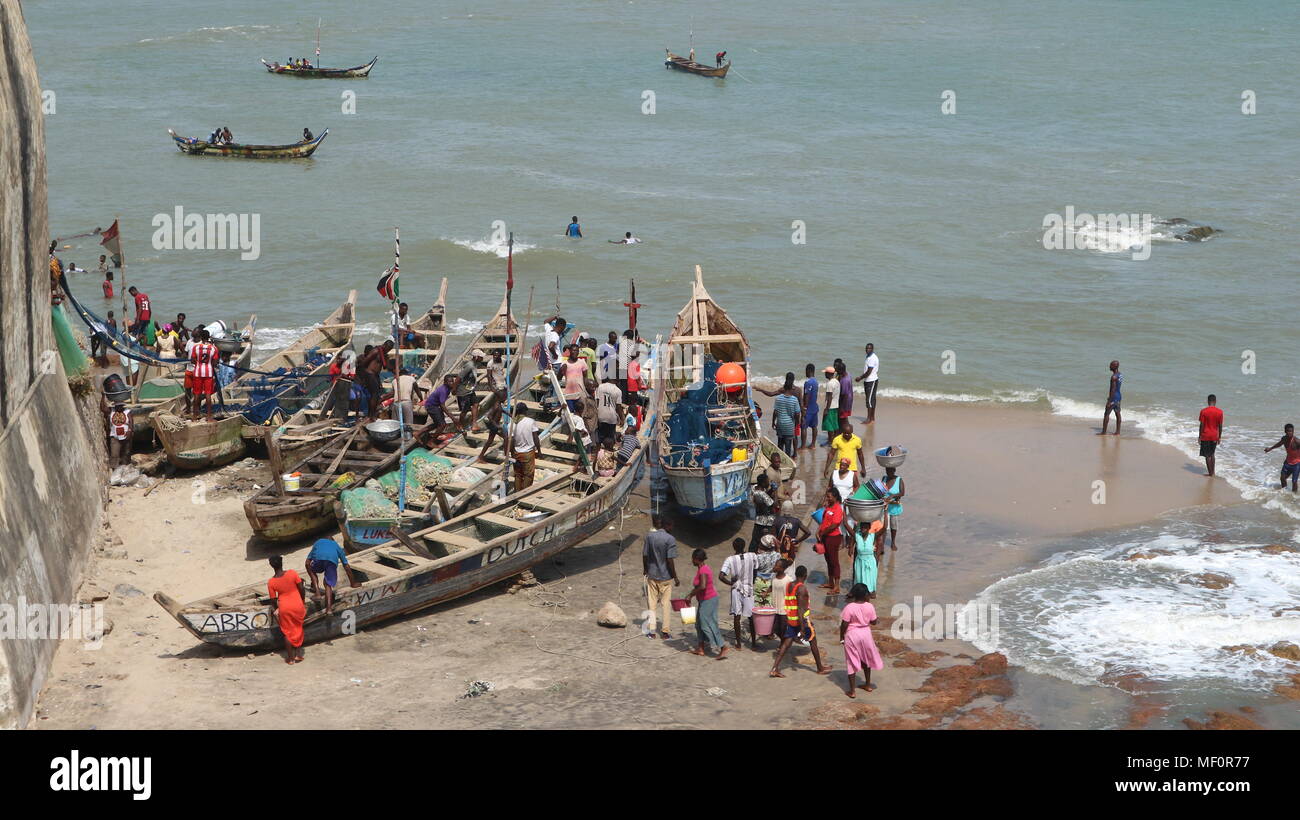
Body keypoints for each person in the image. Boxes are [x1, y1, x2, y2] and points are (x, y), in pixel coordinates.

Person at [769, 565, 831, 678]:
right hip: (801, 621)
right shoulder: (801, 588)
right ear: (805, 576)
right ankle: (820, 668)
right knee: (813, 642)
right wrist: (802, 628)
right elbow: (800, 608)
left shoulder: (789, 585)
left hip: (791, 620)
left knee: (786, 643)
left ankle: (774, 668)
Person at [684, 548, 729, 660]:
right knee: (698, 624)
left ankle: (722, 646)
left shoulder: (703, 570)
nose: (692, 561)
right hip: (705, 600)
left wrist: (690, 595)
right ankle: (701, 648)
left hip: (709, 600)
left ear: (696, 559)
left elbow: (703, 586)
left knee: (707, 624)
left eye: (693, 559)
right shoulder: (702, 568)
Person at [839, 583, 883, 697]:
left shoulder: (849, 607)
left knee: (851, 661)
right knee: (866, 659)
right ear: (865, 595)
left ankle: (852, 691)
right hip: (866, 634)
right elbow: (873, 622)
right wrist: (876, 619)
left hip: (852, 635)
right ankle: (867, 684)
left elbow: (844, 624)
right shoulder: (869, 606)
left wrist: (841, 637)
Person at [643, 515, 679, 638]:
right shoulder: (670, 539)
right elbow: (670, 560)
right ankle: (665, 632)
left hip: (652, 575)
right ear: (667, 525)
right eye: (672, 525)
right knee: (666, 605)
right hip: (666, 577)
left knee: (652, 604)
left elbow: (645, 555)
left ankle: (651, 631)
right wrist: (675, 577)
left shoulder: (649, 536)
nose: (673, 528)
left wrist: (645, 569)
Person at [266, 555, 306, 664]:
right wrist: (302, 601)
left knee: (287, 633)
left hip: (284, 607)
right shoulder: (292, 573)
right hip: (297, 604)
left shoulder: (271, 582)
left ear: (271, 565)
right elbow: (301, 588)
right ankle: (298, 655)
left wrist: (277, 608)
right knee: (298, 627)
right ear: (282, 562)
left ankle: (291, 659)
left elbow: (273, 600)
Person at [720, 538, 759, 650]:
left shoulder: (730, 559)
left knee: (737, 617)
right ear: (744, 546)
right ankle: (754, 644)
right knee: (751, 617)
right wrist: (752, 580)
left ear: (733, 547)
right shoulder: (752, 556)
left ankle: (738, 644)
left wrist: (730, 583)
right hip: (749, 589)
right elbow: (756, 569)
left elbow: (721, 576)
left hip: (736, 589)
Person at [304, 537, 359, 614]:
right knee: (327, 584)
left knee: (310, 568)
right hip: (331, 561)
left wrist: (312, 578)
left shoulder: (318, 542)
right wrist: (353, 583)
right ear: (333, 540)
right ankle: (329, 609)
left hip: (319, 560)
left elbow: (307, 562)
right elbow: (346, 566)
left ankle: (317, 593)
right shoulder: (335, 545)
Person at [758, 373, 802, 457]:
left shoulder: (780, 395)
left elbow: (775, 410)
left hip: (780, 424)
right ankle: (794, 454)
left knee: (780, 444)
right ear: (793, 379)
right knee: (793, 439)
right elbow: (800, 407)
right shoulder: (798, 391)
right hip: (791, 424)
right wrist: (798, 421)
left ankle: (780, 459)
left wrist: (761, 390)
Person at [508, 402, 542, 490]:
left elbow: (510, 441)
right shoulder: (530, 422)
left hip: (516, 453)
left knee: (518, 475)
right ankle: (524, 494)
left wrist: (512, 454)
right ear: (525, 411)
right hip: (528, 453)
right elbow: (535, 438)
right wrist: (539, 451)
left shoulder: (511, 424)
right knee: (528, 475)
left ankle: (517, 493)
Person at [817, 487, 845, 593]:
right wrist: (818, 531)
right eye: (827, 496)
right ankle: (830, 582)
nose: (827, 498)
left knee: (834, 562)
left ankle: (837, 586)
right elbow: (823, 520)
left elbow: (835, 524)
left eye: (829, 497)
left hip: (833, 537)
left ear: (835, 497)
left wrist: (823, 532)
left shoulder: (838, 508)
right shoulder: (828, 507)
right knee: (828, 560)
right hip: (825, 537)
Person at [188, 329, 219, 421]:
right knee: (208, 394)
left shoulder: (196, 347)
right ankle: (209, 416)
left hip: (197, 372)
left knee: (196, 394)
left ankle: (194, 416)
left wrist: (198, 363)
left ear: (201, 337)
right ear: (209, 337)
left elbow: (192, 360)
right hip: (208, 373)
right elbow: (215, 362)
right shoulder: (214, 348)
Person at [358, 340, 393, 419]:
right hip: (370, 373)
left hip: (376, 375)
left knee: (376, 395)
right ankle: (371, 415)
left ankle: (372, 413)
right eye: (387, 348)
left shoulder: (384, 355)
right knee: (374, 394)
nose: (388, 350)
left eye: (389, 349)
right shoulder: (376, 351)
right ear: (384, 345)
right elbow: (366, 361)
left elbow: (386, 366)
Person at [420, 373, 457, 443]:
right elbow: (442, 405)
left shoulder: (448, 388)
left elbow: (454, 392)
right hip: (431, 406)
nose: (451, 383)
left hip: (434, 405)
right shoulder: (443, 390)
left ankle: (418, 433)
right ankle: (431, 442)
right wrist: (452, 417)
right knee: (442, 425)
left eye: (452, 381)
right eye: (450, 381)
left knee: (438, 424)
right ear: (445, 382)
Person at [848, 519, 880, 597]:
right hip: (859, 558)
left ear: (869, 528)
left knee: (870, 576)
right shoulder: (857, 535)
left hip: (870, 559)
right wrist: (845, 509)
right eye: (862, 527)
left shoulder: (873, 535)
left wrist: (886, 511)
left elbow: (885, 527)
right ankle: (856, 590)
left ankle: (872, 591)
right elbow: (846, 525)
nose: (863, 529)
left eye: (865, 528)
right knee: (858, 575)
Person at [455, 350, 485, 432]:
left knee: (476, 404)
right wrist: (454, 389)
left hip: (470, 389)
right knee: (464, 410)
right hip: (463, 391)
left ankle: (474, 424)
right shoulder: (469, 366)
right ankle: (460, 424)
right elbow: (458, 378)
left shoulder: (475, 365)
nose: (482, 358)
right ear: (476, 357)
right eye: (481, 357)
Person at [475, 389, 508, 462]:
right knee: (506, 438)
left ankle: (480, 456)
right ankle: (506, 456)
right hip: (494, 425)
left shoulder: (498, 404)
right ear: (501, 398)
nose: (506, 399)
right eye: (505, 397)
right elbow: (489, 416)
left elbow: (501, 410)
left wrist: (509, 414)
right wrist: (496, 425)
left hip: (494, 426)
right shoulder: (496, 405)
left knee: (490, 441)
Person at [1265, 423, 1300, 492]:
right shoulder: (1284, 439)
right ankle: (1285, 492)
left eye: (1291, 431)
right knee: (1282, 478)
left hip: (1297, 464)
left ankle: (1294, 496)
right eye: (1288, 431)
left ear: (1293, 431)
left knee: (1294, 481)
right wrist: (1270, 448)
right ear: (1285, 431)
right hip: (1288, 462)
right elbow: (1279, 444)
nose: (1290, 433)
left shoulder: (1297, 441)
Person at [102, 397, 132, 469]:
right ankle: (114, 469)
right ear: (115, 406)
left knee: (126, 453)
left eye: (120, 406)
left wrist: (130, 430)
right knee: (114, 454)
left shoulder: (127, 412)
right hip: (114, 436)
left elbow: (131, 422)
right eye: (117, 406)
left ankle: (126, 469)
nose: (119, 408)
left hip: (126, 436)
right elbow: (103, 409)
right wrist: (103, 397)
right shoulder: (111, 411)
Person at [750, 472, 777, 552]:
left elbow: (765, 496)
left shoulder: (755, 490)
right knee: (766, 542)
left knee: (755, 540)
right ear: (763, 483)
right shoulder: (762, 494)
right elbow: (774, 504)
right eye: (767, 481)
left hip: (758, 520)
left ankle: (752, 555)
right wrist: (775, 491)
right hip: (766, 522)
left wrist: (771, 490)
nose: (768, 483)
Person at [1198, 394, 1223, 477]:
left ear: (1208, 401)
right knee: (1212, 454)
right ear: (1215, 401)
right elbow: (1220, 426)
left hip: (1206, 436)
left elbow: (1201, 425)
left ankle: (1210, 473)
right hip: (1214, 436)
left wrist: (1199, 436)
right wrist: (1219, 437)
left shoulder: (1203, 411)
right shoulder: (1220, 412)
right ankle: (1213, 472)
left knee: (1207, 455)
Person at [854, 343, 879, 424]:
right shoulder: (869, 356)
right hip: (870, 380)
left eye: (869, 348)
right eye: (866, 348)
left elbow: (869, 371)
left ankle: (869, 418)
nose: (867, 350)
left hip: (871, 381)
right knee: (872, 399)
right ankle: (872, 417)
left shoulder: (872, 358)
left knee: (869, 400)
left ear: (872, 349)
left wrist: (860, 378)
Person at [593, 377, 624, 444]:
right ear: (617, 380)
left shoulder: (600, 387)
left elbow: (597, 402)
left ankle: (598, 452)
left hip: (601, 415)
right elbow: (618, 407)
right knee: (610, 439)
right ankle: (608, 452)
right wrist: (622, 418)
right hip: (611, 418)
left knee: (600, 437)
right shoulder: (618, 391)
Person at [882, 465, 905, 550]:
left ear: (894, 470)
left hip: (894, 506)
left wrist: (893, 495)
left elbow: (902, 493)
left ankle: (893, 542)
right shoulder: (884, 478)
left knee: (893, 526)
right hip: (884, 506)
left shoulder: (899, 480)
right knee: (884, 526)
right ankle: (882, 545)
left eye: (890, 470)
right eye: (887, 470)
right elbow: (880, 490)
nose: (888, 472)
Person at [561, 344, 590, 413]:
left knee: (581, 413)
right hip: (569, 394)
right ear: (570, 351)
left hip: (580, 393)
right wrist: (561, 370)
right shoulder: (565, 364)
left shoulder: (582, 362)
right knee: (570, 413)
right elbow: (558, 377)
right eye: (573, 350)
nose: (575, 352)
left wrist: (587, 391)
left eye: (577, 351)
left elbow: (585, 377)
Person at [798, 363, 819, 449]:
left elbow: (806, 396)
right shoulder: (816, 382)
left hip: (808, 409)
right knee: (814, 427)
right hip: (815, 407)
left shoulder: (808, 383)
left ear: (808, 371)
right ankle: (813, 444)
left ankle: (803, 446)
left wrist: (804, 408)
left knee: (803, 427)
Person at [1100, 360, 1122, 435]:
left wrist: (1109, 400)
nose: (1109, 366)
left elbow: (1113, 389)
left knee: (1106, 414)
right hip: (1119, 396)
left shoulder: (1113, 377)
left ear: (1114, 366)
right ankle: (1118, 431)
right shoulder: (1120, 374)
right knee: (1118, 413)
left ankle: (1104, 432)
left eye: (1111, 365)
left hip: (1114, 397)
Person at [820, 365, 840, 447]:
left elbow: (829, 397)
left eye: (825, 373)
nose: (825, 374)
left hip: (830, 406)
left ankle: (830, 441)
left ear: (828, 374)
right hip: (836, 405)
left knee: (829, 425)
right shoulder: (837, 381)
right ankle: (835, 440)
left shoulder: (829, 384)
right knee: (834, 424)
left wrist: (826, 409)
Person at [836, 360, 854, 428]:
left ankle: (848, 430)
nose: (836, 372)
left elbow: (843, 395)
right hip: (849, 400)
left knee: (843, 419)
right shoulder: (848, 374)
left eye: (838, 370)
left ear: (841, 371)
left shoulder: (844, 380)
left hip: (845, 403)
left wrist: (841, 407)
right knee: (844, 418)